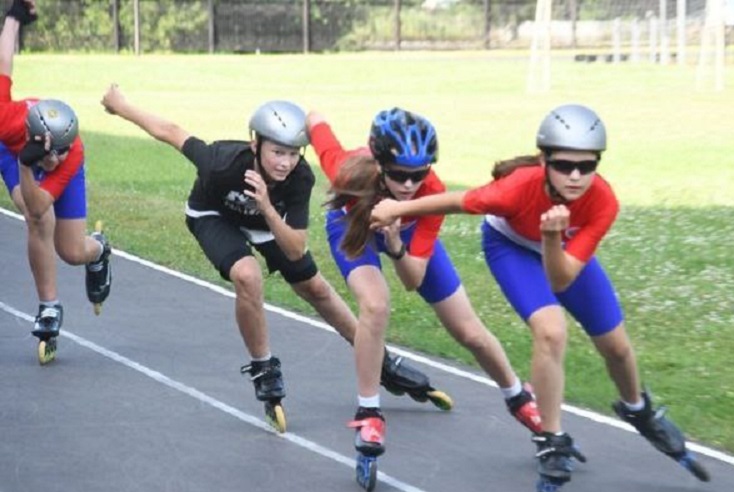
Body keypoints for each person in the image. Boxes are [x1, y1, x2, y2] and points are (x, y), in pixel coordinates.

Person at [370, 104, 709, 492]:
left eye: (587, 166)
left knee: (617, 348)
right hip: (510, 247)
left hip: (562, 252)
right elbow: (456, 201)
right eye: (564, 165)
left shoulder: (604, 202)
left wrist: (552, 238)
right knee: (551, 331)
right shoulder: (515, 188)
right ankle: (551, 439)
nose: (576, 176)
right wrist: (397, 209)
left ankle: (638, 409)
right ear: (545, 160)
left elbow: (563, 278)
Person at [98, 86, 424, 435]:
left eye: (293, 153)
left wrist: (267, 206)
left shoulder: (299, 178)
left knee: (316, 288)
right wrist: (121, 106)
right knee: (248, 275)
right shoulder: (221, 161)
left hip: (267, 223)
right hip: (213, 215)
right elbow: (171, 131)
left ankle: (379, 359)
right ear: (255, 145)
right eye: (277, 152)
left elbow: (296, 248)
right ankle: (263, 367)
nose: (285, 162)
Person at [307, 107, 543, 461]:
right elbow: (315, 122)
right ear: (380, 164)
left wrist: (398, 245)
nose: (408, 185)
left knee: (469, 331)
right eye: (400, 175)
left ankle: (518, 397)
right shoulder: (347, 171)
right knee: (375, 304)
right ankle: (369, 413)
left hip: (407, 234)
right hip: (353, 227)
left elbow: (412, 280)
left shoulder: (432, 193)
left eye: (418, 174)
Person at [0, 0, 111, 363]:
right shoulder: (7, 120)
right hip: (11, 150)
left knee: (72, 251)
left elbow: (42, 200)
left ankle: (100, 249)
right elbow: (4, 65)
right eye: (54, 152)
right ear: (35, 138)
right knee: (35, 219)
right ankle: (49, 306)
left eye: (64, 150)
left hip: (32, 162)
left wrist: (43, 164)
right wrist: (13, 19)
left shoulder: (72, 153)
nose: (58, 158)